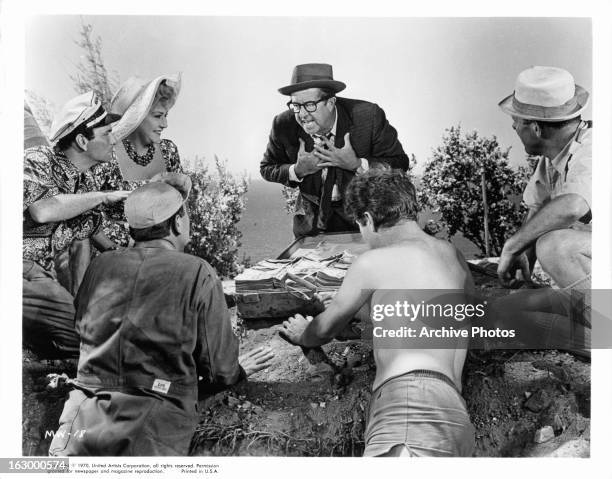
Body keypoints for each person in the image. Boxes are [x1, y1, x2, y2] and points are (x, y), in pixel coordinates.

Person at [49, 174, 274, 456]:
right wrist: (235, 371)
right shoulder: (197, 272)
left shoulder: (100, 265)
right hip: (149, 429)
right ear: (178, 222)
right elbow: (221, 371)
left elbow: (81, 328)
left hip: (80, 421)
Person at [280, 169, 475, 457]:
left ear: (368, 219)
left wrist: (303, 334)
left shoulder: (372, 262)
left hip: (408, 410)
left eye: (360, 226)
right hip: (454, 414)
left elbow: (323, 330)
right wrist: (365, 311)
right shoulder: (451, 254)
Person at [23, 91, 129, 359]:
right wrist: (103, 197)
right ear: (82, 140)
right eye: (106, 133)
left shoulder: (83, 184)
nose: (112, 139)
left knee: (91, 334)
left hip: (38, 278)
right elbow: (43, 210)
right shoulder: (38, 160)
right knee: (89, 341)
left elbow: (103, 240)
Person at [260, 63, 409, 238]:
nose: (302, 114)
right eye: (296, 106)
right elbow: (267, 168)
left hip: (366, 222)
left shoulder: (369, 117)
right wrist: (298, 170)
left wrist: (357, 164)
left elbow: (400, 162)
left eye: (309, 105)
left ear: (330, 103)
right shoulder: (283, 124)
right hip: (311, 226)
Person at [497, 66, 591, 290]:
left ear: (536, 128)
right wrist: (522, 271)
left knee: (556, 246)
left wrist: (512, 246)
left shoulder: (593, 147)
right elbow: (539, 212)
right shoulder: (552, 159)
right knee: (513, 309)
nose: (513, 126)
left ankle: (600, 319)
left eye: (517, 122)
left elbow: (573, 205)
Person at [93, 74, 183, 247]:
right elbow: (86, 219)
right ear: (136, 118)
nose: (165, 124)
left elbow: (179, 208)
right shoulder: (107, 156)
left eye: (166, 116)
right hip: (114, 256)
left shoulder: (169, 151)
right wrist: (115, 249)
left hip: (162, 252)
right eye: (158, 116)